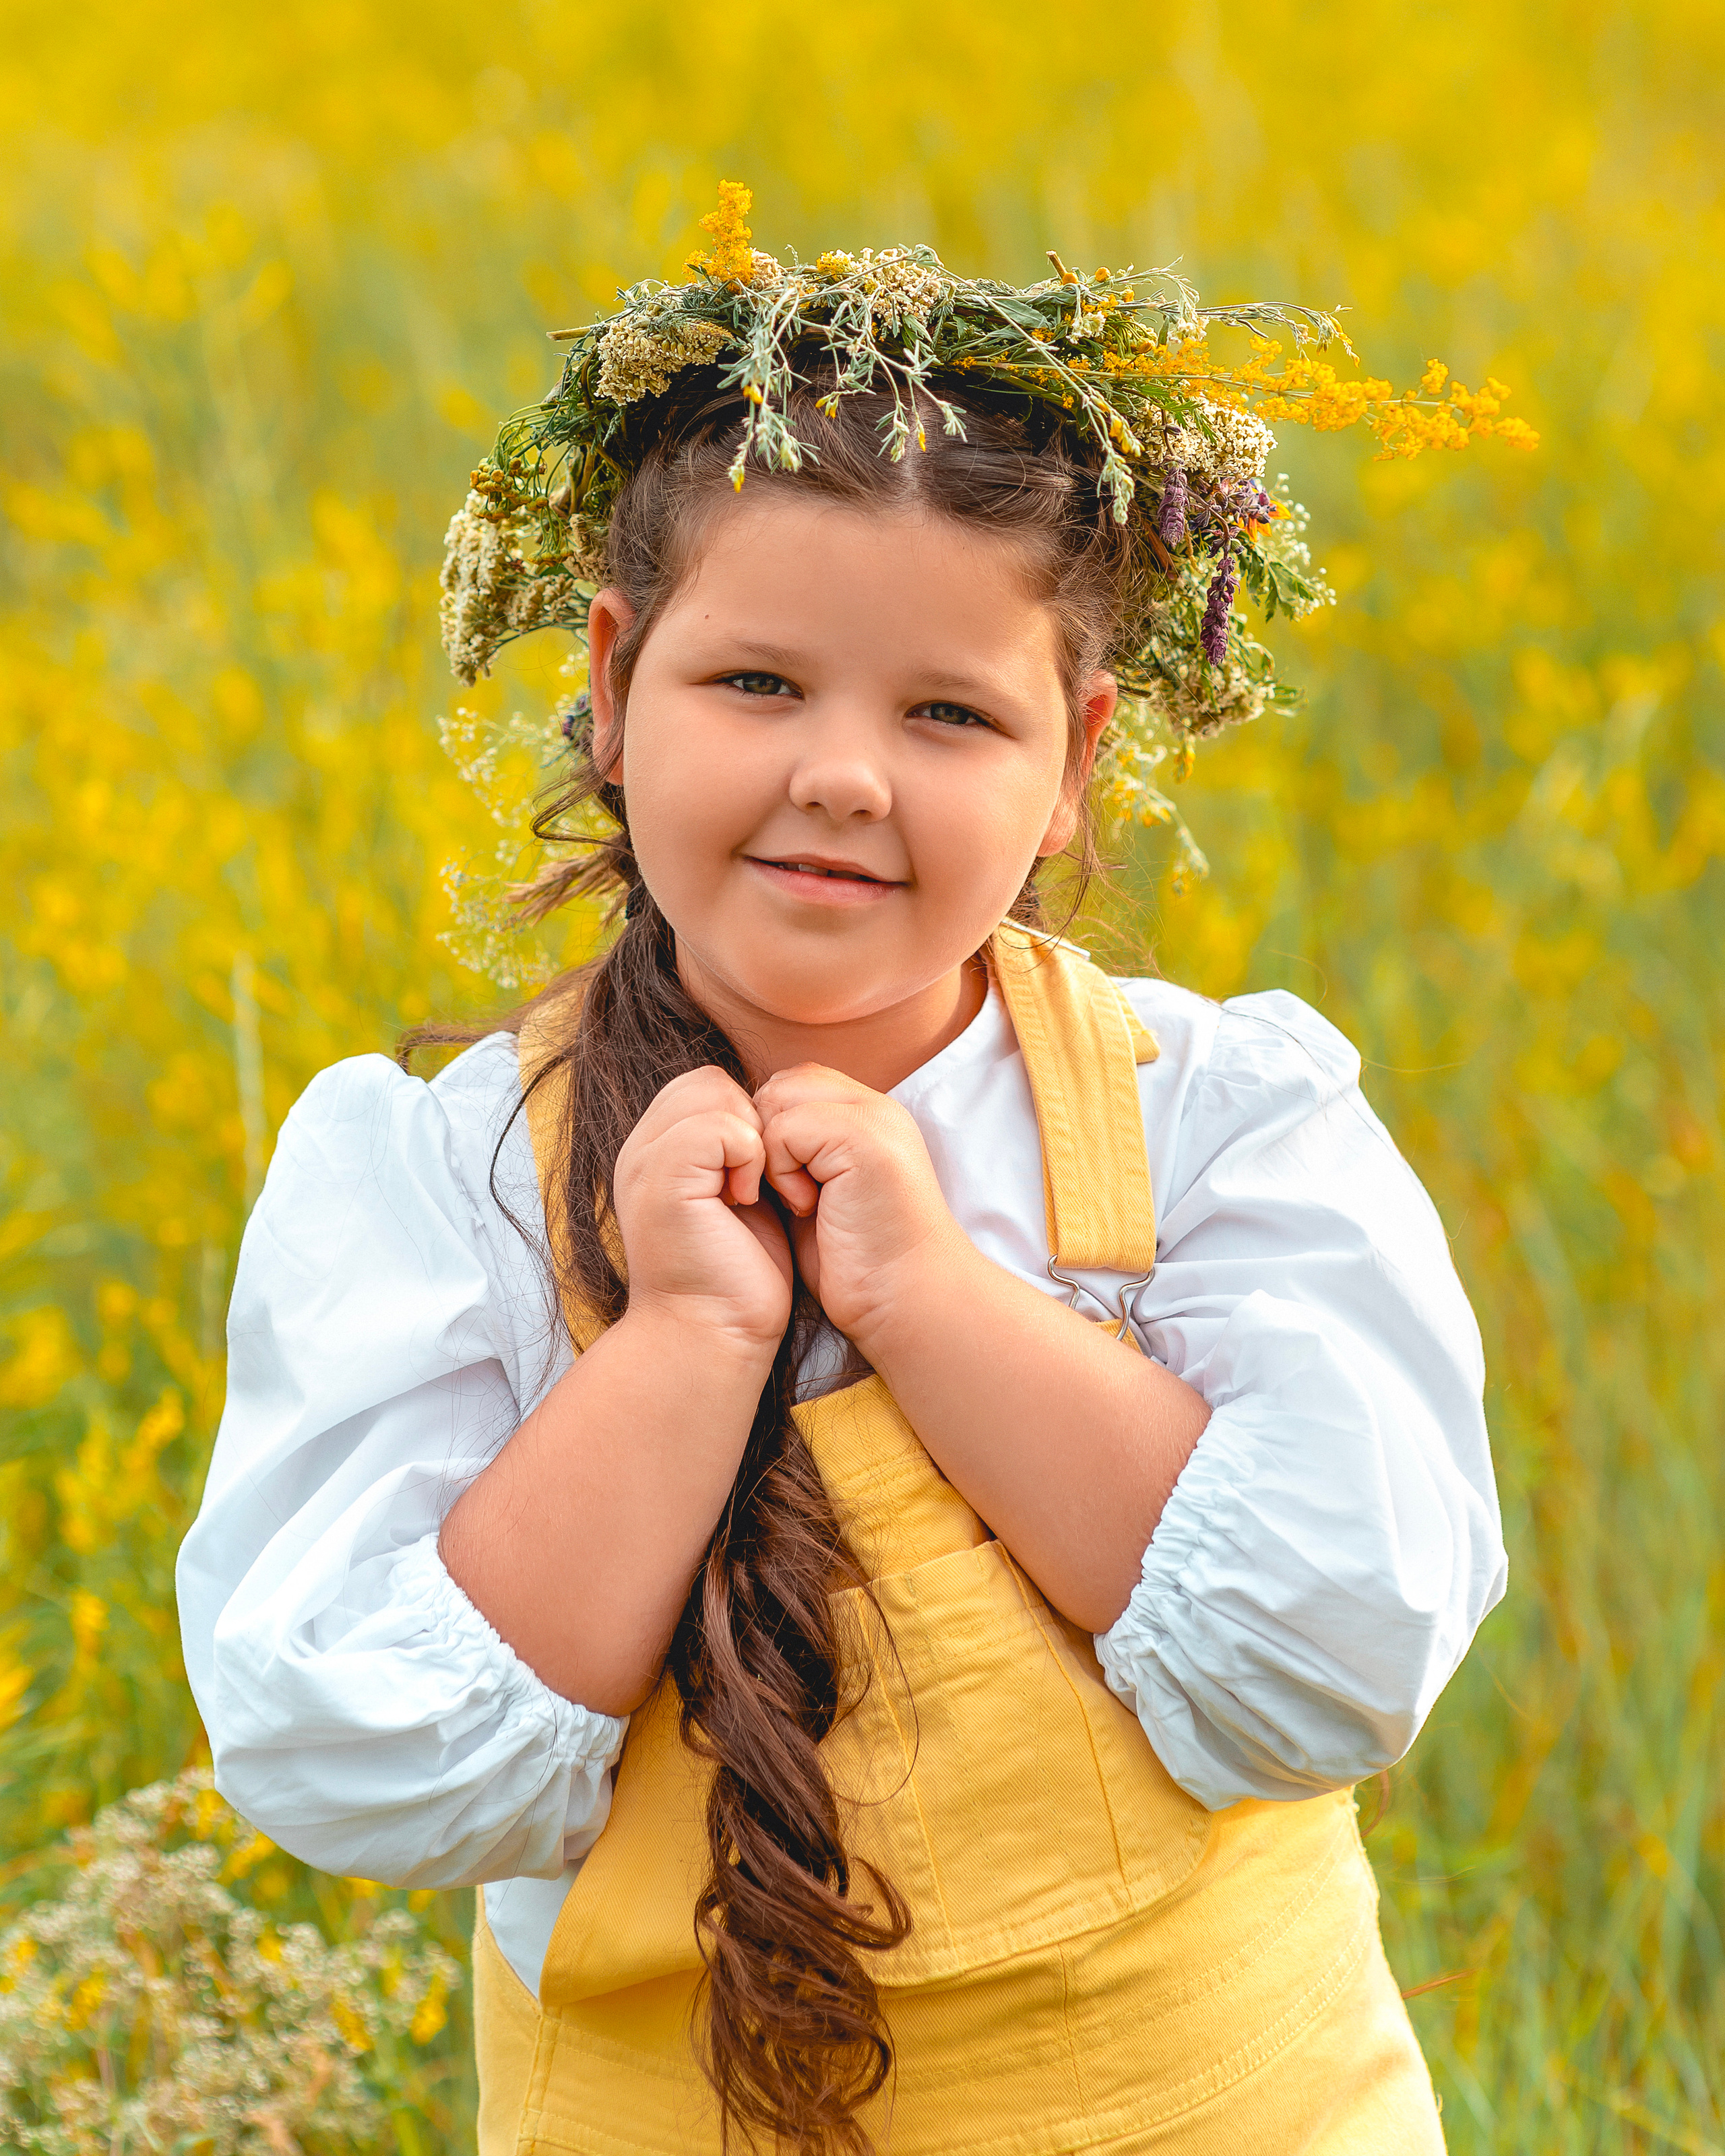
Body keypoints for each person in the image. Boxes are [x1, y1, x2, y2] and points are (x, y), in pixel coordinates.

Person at [179, 212, 1509, 2154]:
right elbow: (369, 1756)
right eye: (762, 686)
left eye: (949, 713)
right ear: (617, 686)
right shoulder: (448, 1172)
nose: (846, 776)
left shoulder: (1209, 1121)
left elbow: (1328, 1657)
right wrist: (694, 1332)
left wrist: (931, 1301)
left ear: (1076, 765)